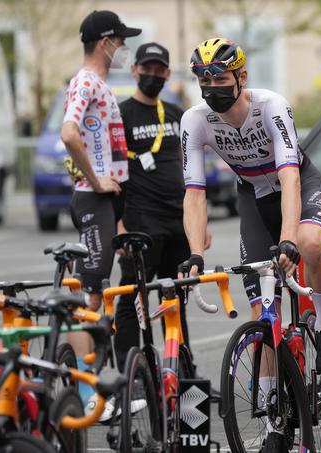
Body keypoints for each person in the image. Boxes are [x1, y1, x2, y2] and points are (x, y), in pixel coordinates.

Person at [181, 38, 321, 445]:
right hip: (252, 197)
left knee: (307, 244)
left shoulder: (270, 104)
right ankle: (272, 420)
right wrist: (196, 252)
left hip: (300, 186)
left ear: (242, 77)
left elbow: (289, 177)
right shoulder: (195, 120)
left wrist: (287, 240)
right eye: (203, 78)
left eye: (219, 77)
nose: (211, 85)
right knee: (265, 314)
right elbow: (195, 194)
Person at [114, 42, 210, 376]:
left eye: (159, 70)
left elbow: (190, 168)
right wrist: (118, 228)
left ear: (168, 73)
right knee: (131, 297)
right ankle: (132, 376)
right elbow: (113, 176)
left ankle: (183, 373)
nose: (153, 75)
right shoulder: (121, 115)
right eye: (147, 69)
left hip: (177, 221)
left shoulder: (176, 114)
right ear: (134, 70)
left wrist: (201, 223)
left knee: (176, 297)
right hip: (141, 222)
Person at [60, 9, 140, 404]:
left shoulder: (100, 85)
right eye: (122, 40)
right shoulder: (86, 82)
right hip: (93, 198)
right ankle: (86, 395)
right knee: (89, 296)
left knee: (95, 293)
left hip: (107, 202)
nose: (125, 48)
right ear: (106, 41)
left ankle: (90, 389)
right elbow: (68, 133)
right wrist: (95, 181)